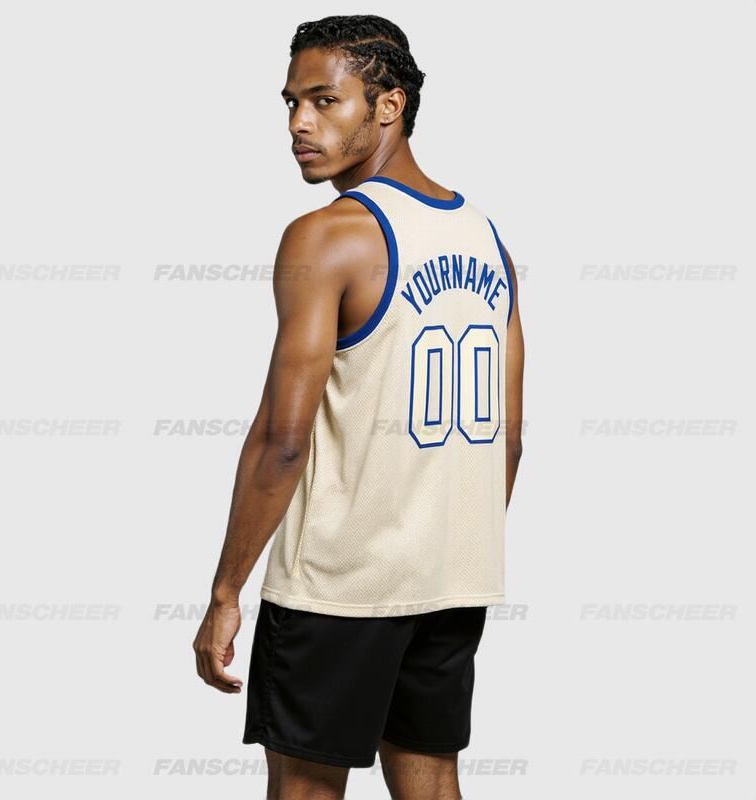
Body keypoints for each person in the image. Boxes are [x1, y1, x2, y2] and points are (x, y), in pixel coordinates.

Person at [194, 14, 524, 800]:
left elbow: (283, 439)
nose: (298, 124)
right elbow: (509, 440)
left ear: (389, 105)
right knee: (432, 783)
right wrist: (439, 542)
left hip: (336, 586)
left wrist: (225, 593)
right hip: (454, 578)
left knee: (306, 789)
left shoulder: (328, 236)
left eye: (324, 100)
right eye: (291, 103)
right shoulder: (487, 240)